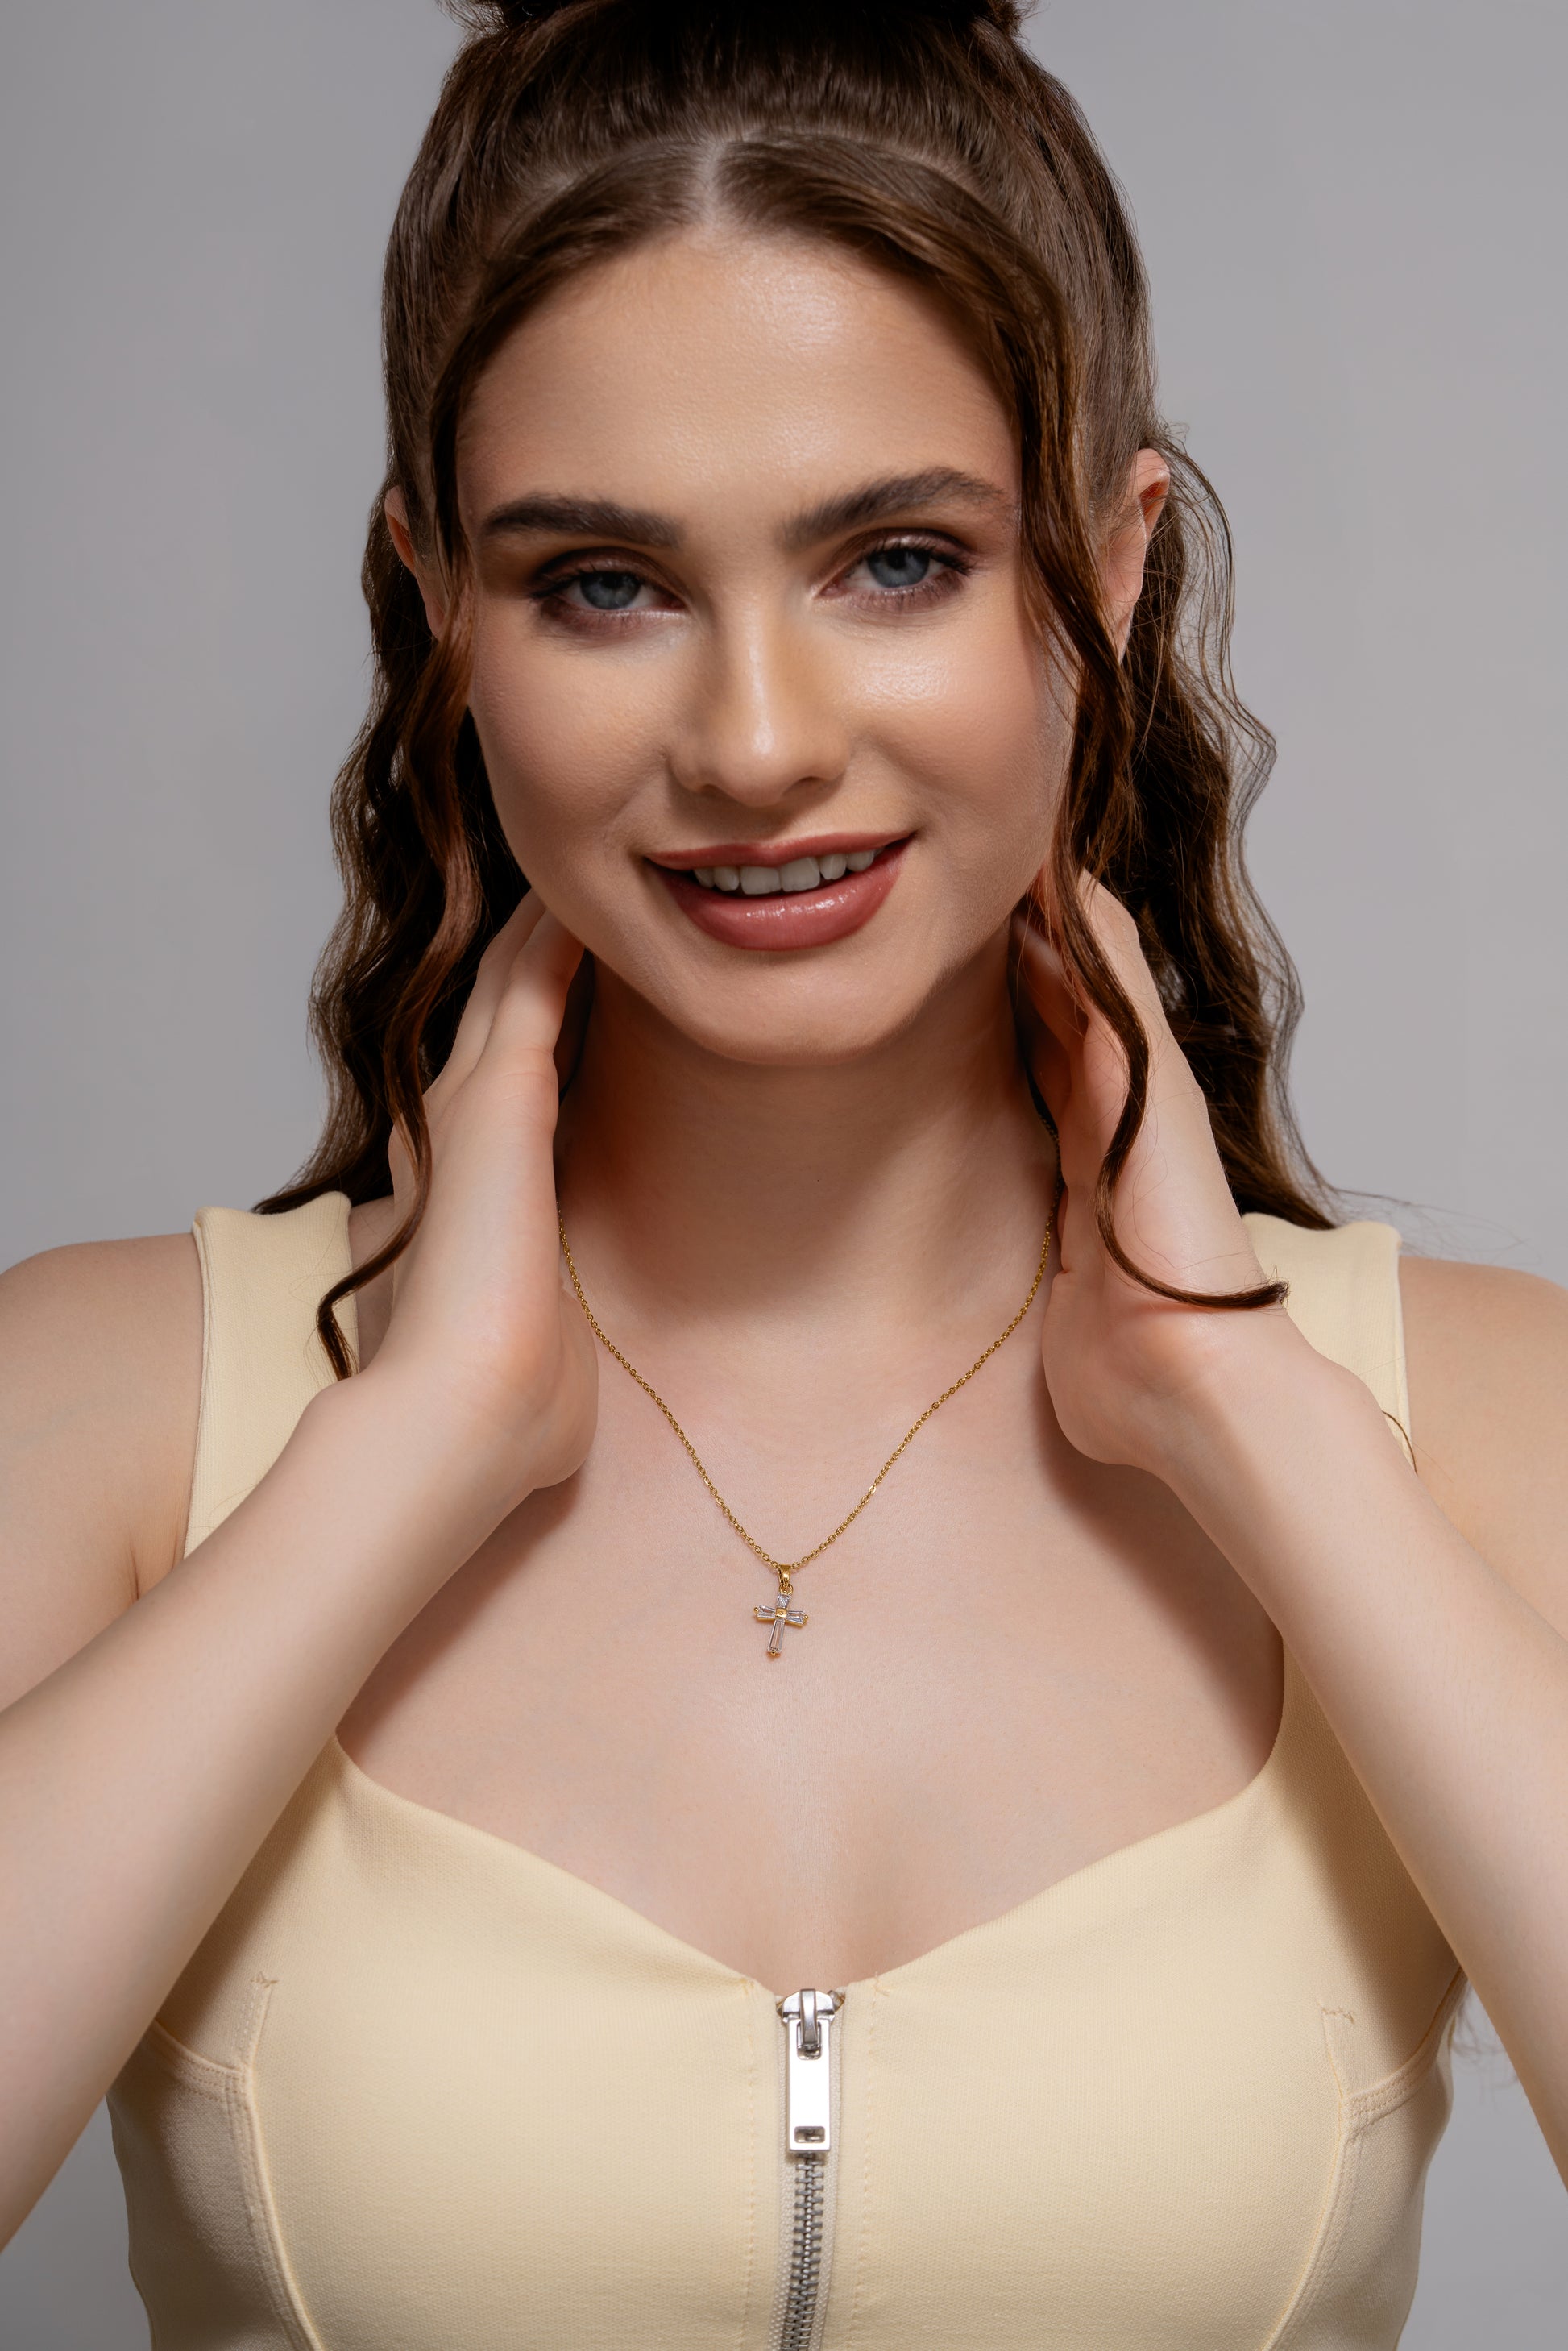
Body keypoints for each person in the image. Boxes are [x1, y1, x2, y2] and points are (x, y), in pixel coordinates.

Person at [2, 0, 1565, 2340]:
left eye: (898, 562)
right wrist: (398, 1462)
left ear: (1110, 568)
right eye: (603, 585)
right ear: (442, 598)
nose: (750, 742)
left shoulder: (1472, 1433)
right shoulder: (110, 1409)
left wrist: (1249, 1417)